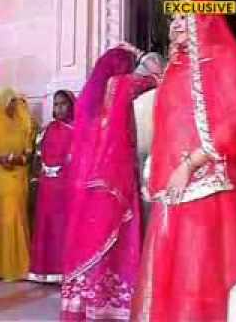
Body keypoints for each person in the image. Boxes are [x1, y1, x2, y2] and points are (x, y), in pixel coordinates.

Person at [131, 0, 236, 321]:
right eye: (172, 17)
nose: (174, 24)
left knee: (198, 273)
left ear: (203, 17)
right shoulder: (177, 68)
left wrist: (188, 165)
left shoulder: (225, 59)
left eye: (183, 15)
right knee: (170, 277)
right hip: (171, 188)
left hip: (206, 187)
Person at [61, 46, 162, 320]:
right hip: (113, 179)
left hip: (87, 183)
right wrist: (139, 54)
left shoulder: (87, 98)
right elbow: (159, 74)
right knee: (114, 240)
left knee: (89, 239)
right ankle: (110, 307)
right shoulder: (120, 84)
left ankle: (83, 305)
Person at [28, 90, 76, 284]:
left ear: (72, 105)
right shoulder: (47, 129)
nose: (59, 108)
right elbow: (38, 156)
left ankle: (62, 271)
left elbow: (77, 158)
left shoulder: (76, 129)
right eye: (56, 104)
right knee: (45, 225)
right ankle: (43, 270)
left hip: (65, 185)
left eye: (63, 104)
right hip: (47, 185)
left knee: (61, 226)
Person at [0, 88, 35, 282]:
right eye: (7, 102)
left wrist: (15, 159)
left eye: (13, 102)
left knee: (14, 218)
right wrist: (0, 159)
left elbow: (28, 155)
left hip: (16, 177)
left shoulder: (24, 125)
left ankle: (17, 267)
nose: (10, 106)